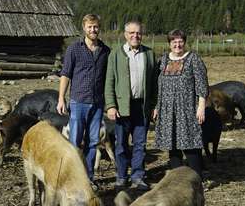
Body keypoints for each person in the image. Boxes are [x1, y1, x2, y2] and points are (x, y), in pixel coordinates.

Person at [57, 13, 110, 189]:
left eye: (95, 27)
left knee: (93, 142)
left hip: (97, 103)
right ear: (84, 28)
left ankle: (88, 178)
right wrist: (61, 98)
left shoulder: (105, 50)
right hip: (78, 102)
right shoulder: (74, 49)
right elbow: (65, 74)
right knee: (74, 142)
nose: (93, 30)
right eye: (90, 27)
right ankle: (71, 179)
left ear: (99, 28)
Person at [104, 20, 158, 190]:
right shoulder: (115, 54)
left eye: (138, 33)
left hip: (142, 107)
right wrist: (111, 105)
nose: (135, 36)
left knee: (140, 144)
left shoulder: (149, 54)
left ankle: (138, 176)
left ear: (142, 34)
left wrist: (154, 105)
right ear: (125, 35)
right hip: (122, 107)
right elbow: (109, 82)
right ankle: (121, 176)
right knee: (121, 144)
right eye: (131, 33)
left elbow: (155, 83)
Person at [153, 29, 207, 176]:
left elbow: (202, 84)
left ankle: (197, 179)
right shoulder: (163, 60)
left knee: (190, 144)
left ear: (184, 42)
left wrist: (201, 106)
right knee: (172, 144)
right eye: (174, 42)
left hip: (187, 109)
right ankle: (178, 181)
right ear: (169, 43)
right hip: (167, 110)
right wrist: (157, 107)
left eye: (180, 41)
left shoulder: (193, 59)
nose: (177, 45)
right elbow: (159, 86)